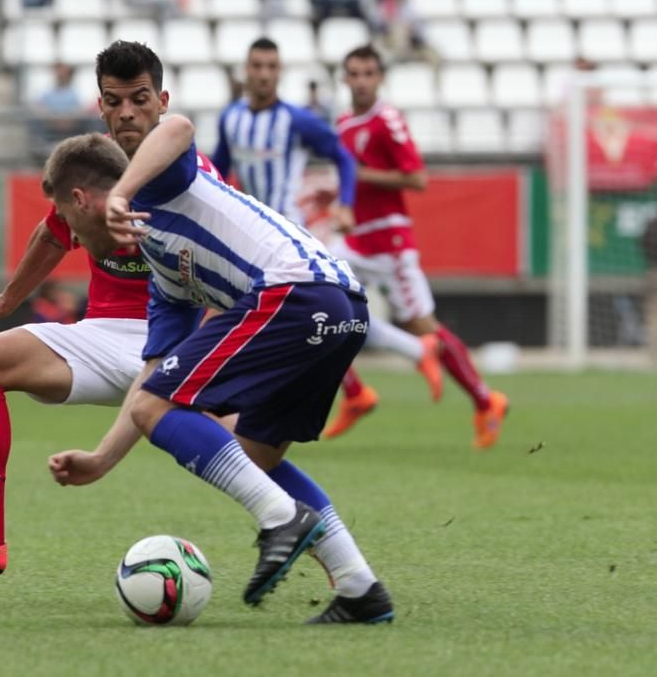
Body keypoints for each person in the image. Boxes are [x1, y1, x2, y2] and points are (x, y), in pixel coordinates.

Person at [43, 125, 393, 623]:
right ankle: (361, 590)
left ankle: (281, 518)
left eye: (65, 219)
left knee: (168, 414)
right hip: (345, 309)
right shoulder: (164, 271)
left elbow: (180, 128)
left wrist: (120, 192)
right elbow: (151, 375)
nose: (71, 237)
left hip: (296, 294)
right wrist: (102, 459)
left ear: (79, 200)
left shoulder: (161, 192)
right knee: (251, 454)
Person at [0, 40, 221, 580]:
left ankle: (310, 532)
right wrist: (7, 301)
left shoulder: (193, 174)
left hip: (178, 344)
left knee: (251, 452)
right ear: (100, 105)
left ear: (162, 102)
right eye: (114, 100)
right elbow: (54, 230)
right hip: (102, 337)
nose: (126, 112)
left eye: (139, 99)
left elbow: (225, 270)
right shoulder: (94, 170)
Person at [213, 37, 442, 437]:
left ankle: (227, 400)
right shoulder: (231, 119)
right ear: (246, 71)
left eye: (271, 66)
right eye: (257, 66)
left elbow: (343, 157)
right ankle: (360, 386)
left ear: (279, 72)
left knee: (293, 315)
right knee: (307, 316)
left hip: (285, 232)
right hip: (246, 232)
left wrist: (347, 203)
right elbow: (219, 168)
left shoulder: (296, 121)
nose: (264, 73)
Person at [327, 44, 508, 448]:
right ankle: (354, 394)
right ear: (344, 78)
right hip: (356, 238)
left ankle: (485, 399)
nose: (360, 81)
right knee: (316, 296)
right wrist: (344, 205)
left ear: (380, 78)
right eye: (353, 73)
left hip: (390, 242)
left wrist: (364, 175)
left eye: (368, 73)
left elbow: (417, 178)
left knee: (425, 327)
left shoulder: (387, 121)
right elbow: (351, 180)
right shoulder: (342, 123)